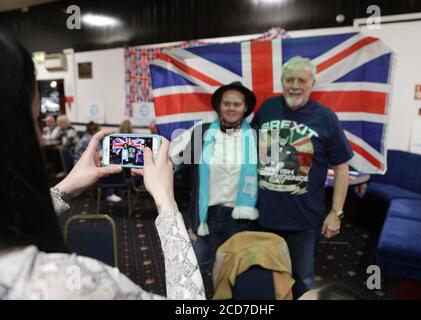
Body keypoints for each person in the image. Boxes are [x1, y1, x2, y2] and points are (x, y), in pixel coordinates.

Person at [0, 31, 205, 300]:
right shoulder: (68, 285)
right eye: (36, 120)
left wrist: (64, 189)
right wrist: (167, 203)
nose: (40, 135)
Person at [251, 56, 353, 298]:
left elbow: (341, 167)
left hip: (304, 220)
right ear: (282, 81)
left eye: (302, 80)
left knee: (303, 279)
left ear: (312, 83)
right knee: (265, 277)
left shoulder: (326, 117)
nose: (295, 85)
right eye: (289, 79)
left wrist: (336, 213)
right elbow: (248, 149)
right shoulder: (267, 108)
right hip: (264, 215)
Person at [176, 82, 259, 296]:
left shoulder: (258, 138)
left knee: (236, 269)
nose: (231, 108)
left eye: (237, 104)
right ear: (219, 106)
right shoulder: (202, 133)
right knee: (198, 268)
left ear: (245, 108)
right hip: (206, 216)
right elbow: (179, 164)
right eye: (227, 103)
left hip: (240, 218)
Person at [75, 121, 122, 203]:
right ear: (94, 130)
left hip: (80, 162)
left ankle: (110, 191)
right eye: (98, 129)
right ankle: (109, 193)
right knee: (108, 167)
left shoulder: (88, 137)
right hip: (82, 165)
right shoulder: (90, 140)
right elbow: (99, 153)